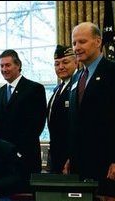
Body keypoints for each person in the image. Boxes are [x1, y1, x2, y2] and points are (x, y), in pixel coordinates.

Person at [64, 22, 115, 201]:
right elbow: (75, 122)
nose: (77, 47)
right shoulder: (76, 78)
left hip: (108, 165)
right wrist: (70, 158)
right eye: (74, 43)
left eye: (82, 41)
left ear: (98, 42)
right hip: (80, 166)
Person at [0, 49, 47, 180]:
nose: (4, 69)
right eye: (2, 65)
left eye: (8, 65)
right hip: (3, 159)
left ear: (18, 65)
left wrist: (15, 149)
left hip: (26, 156)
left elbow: (37, 124)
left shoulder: (35, 89)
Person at [46, 45, 78, 173]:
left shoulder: (78, 86)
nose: (61, 67)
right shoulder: (58, 89)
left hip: (71, 155)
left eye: (65, 62)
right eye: (56, 64)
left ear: (76, 62)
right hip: (57, 154)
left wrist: (73, 157)